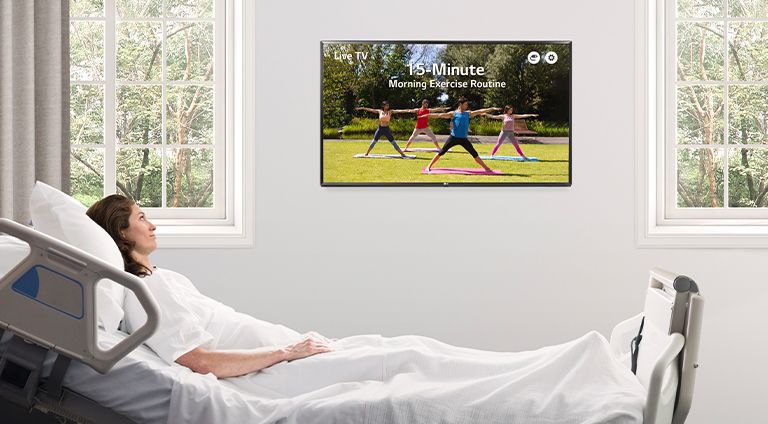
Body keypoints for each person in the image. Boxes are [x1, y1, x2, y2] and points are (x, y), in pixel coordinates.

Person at [86, 195, 334, 379]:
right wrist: (286, 352)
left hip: (293, 351)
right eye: (141, 218)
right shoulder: (147, 290)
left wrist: (293, 347)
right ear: (122, 232)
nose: (152, 226)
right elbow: (201, 361)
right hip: (283, 363)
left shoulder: (160, 278)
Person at [423, 97, 500, 172]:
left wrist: (492, 108)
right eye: (465, 104)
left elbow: (479, 111)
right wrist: (427, 115)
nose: (467, 106)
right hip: (453, 138)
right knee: (442, 152)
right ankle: (428, 167)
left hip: (463, 139)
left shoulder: (468, 113)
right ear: (460, 104)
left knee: (474, 153)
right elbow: (440, 115)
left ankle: (486, 168)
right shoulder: (454, 113)